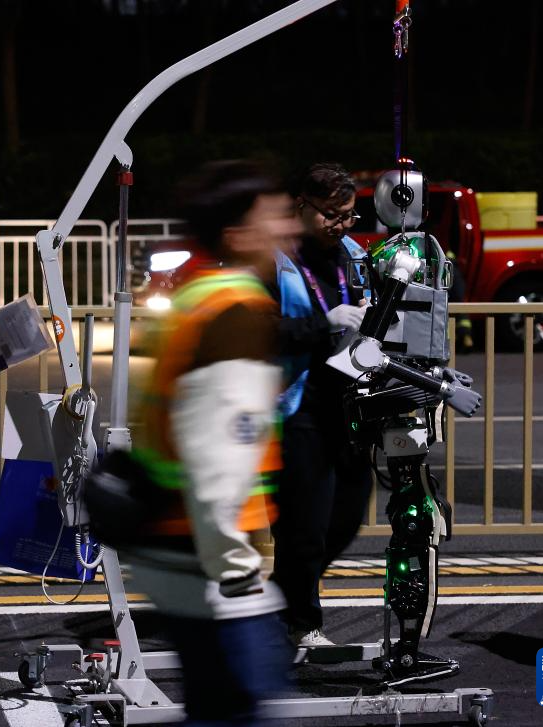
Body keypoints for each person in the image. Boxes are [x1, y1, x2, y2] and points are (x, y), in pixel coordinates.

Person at [127, 160, 299, 726]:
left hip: (172, 546)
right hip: (208, 565)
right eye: (276, 215)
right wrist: (237, 574)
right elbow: (221, 453)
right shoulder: (237, 311)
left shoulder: (197, 296)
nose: (290, 227)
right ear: (238, 234)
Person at [268, 162, 373, 648]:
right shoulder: (275, 260)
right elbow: (261, 331)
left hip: (350, 401)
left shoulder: (354, 255)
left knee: (347, 514)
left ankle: (281, 596)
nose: (341, 225)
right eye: (331, 214)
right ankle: (301, 621)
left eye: (349, 214)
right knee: (304, 523)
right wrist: (324, 324)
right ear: (302, 206)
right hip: (297, 406)